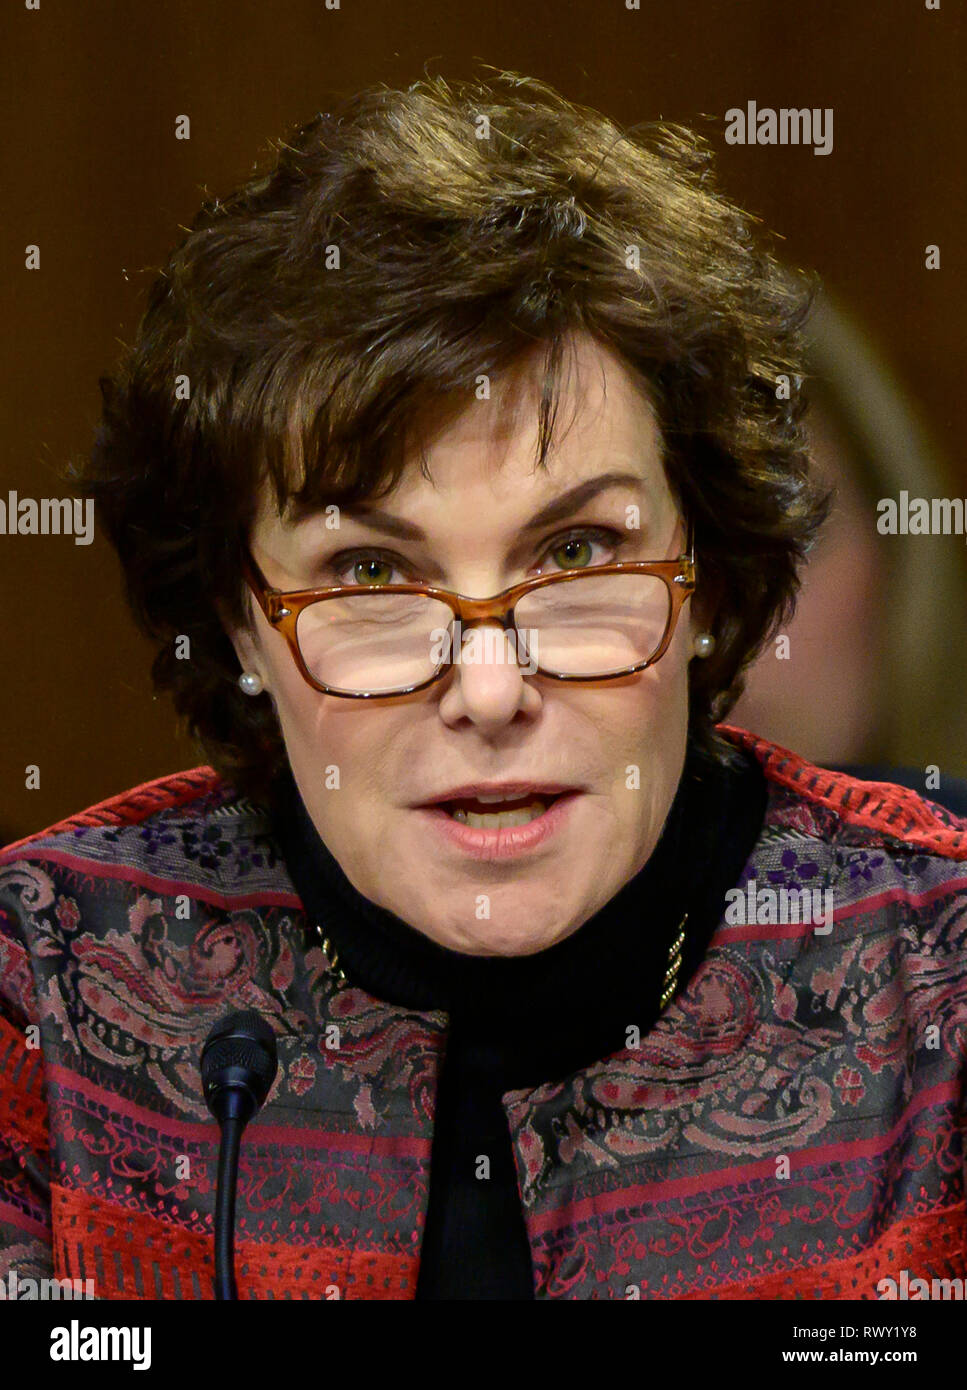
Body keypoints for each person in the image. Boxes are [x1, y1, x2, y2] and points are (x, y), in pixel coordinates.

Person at [1, 72, 965, 1302]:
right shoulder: (38, 995)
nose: (492, 687)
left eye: (576, 553)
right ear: (240, 619)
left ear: (708, 580)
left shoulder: (942, 984)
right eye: (368, 574)